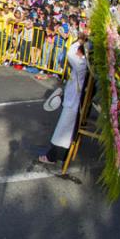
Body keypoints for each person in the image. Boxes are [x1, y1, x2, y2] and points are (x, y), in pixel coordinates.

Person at [39, 36, 88, 164]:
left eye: (79, 49)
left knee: (62, 133)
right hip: (72, 101)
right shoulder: (82, 63)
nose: (76, 51)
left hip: (73, 104)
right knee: (64, 132)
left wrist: (80, 40)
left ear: (81, 52)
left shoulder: (81, 64)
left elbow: (70, 52)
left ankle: (52, 157)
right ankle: (57, 156)